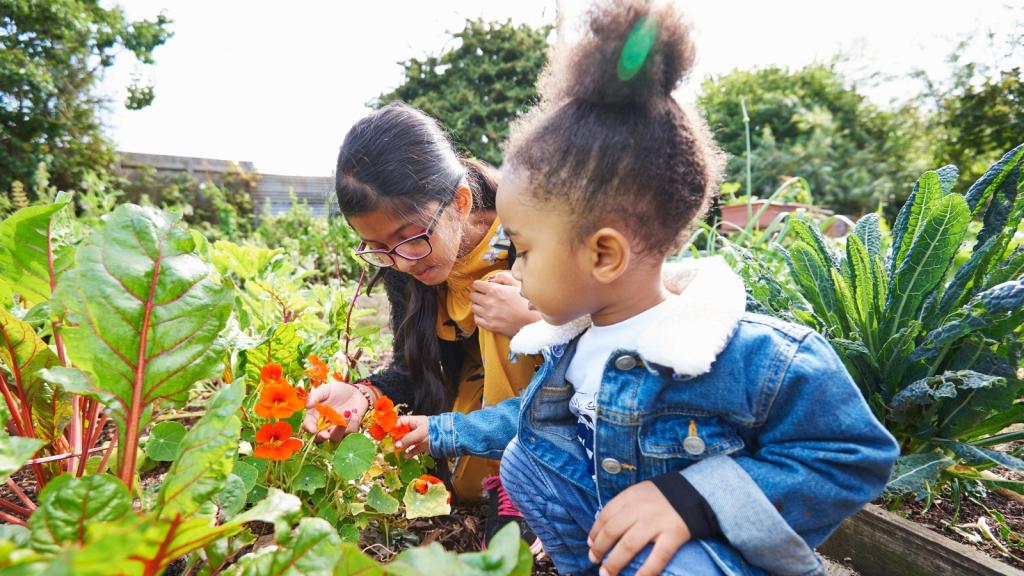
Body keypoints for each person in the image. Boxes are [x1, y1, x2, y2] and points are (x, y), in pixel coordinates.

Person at [393, 1, 901, 575]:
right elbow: (529, 421)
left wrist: (693, 500)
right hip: (632, 539)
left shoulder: (753, 357)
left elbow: (855, 455)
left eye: (525, 250)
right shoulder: (576, 344)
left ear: (604, 254)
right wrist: (441, 430)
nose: (513, 269)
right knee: (524, 462)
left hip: (703, 559)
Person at [304, 102, 543, 550]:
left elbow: (613, 330)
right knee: (463, 478)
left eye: (408, 238)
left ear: (460, 201)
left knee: (498, 291)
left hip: (555, 405)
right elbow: (415, 370)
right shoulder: (404, 261)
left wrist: (535, 321)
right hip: (482, 402)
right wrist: (363, 393)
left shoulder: (534, 229)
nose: (398, 261)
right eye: (377, 247)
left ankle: (525, 478)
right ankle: (500, 473)